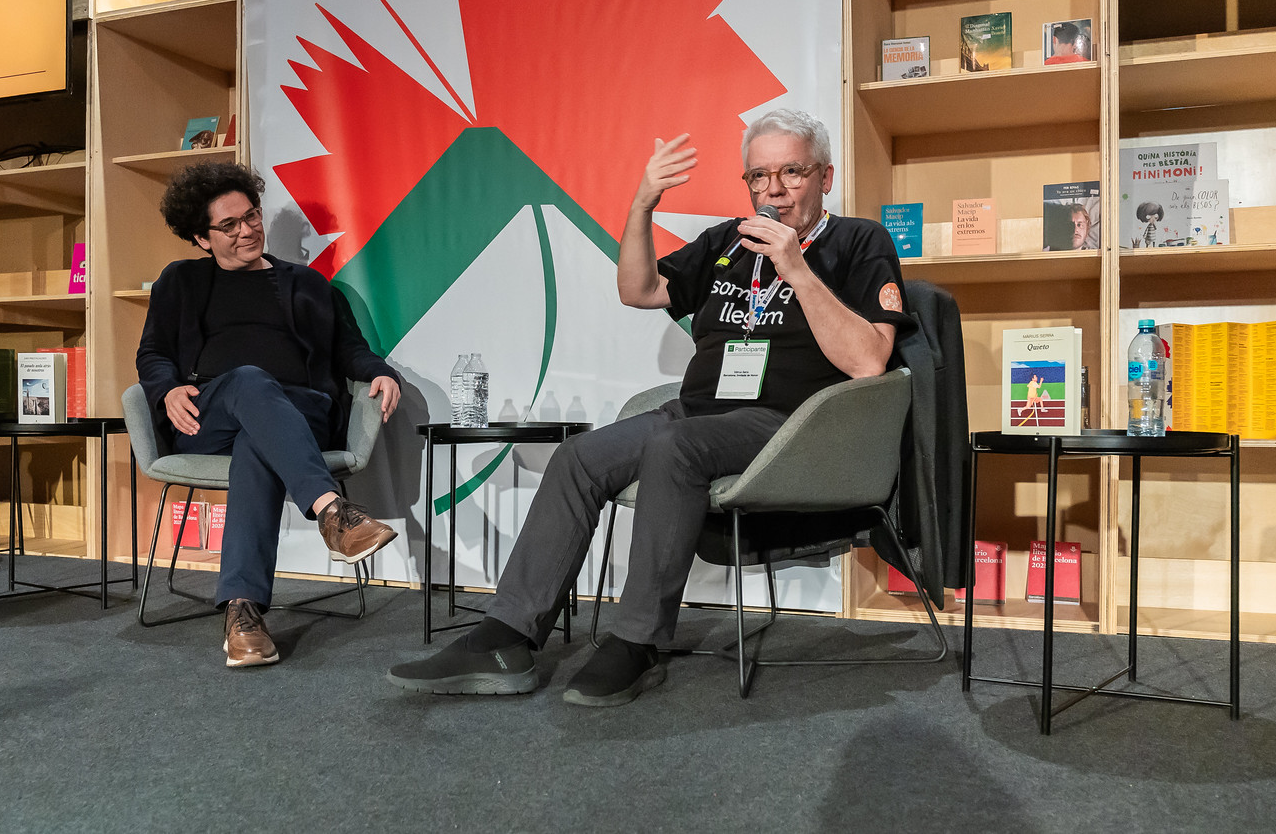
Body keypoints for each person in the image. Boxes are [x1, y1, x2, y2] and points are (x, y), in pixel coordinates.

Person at [387, 108, 910, 707]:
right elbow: (636, 289)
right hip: (695, 413)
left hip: (790, 423)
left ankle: (637, 642)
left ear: (825, 176)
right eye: (759, 176)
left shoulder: (860, 241)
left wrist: (795, 267)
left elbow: (870, 360)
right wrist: (643, 204)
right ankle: (506, 637)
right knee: (580, 457)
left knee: (674, 448)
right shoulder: (728, 241)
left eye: (792, 172)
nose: (773, 190)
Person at [136, 162, 402, 669]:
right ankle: (332, 511)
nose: (247, 230)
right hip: (209, 414)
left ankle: (243, 614)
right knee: (250, 381)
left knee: (257, 440)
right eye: (229, 225)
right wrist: (166, 389)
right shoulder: (182, 281)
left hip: (300, 413)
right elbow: (152, 353)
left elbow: (349, 349)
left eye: (251, 216)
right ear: (201, 238)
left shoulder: (308, 284)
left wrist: (380, 372)